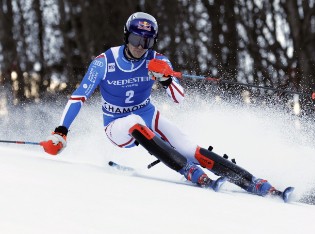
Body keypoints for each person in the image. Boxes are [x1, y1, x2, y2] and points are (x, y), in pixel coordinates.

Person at [41, 12, 292, 199]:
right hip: (116, 126)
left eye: (147, 42)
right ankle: (188, 171)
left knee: (188, 146)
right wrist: (61, 131)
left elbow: (179, 99)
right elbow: (78, 97)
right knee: (134, 122)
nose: (140, 47)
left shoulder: (157, 60)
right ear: (127, 36)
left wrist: (166, 79)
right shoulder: (104, 62)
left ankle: (254, 182)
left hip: (148, 115)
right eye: (137, 39)